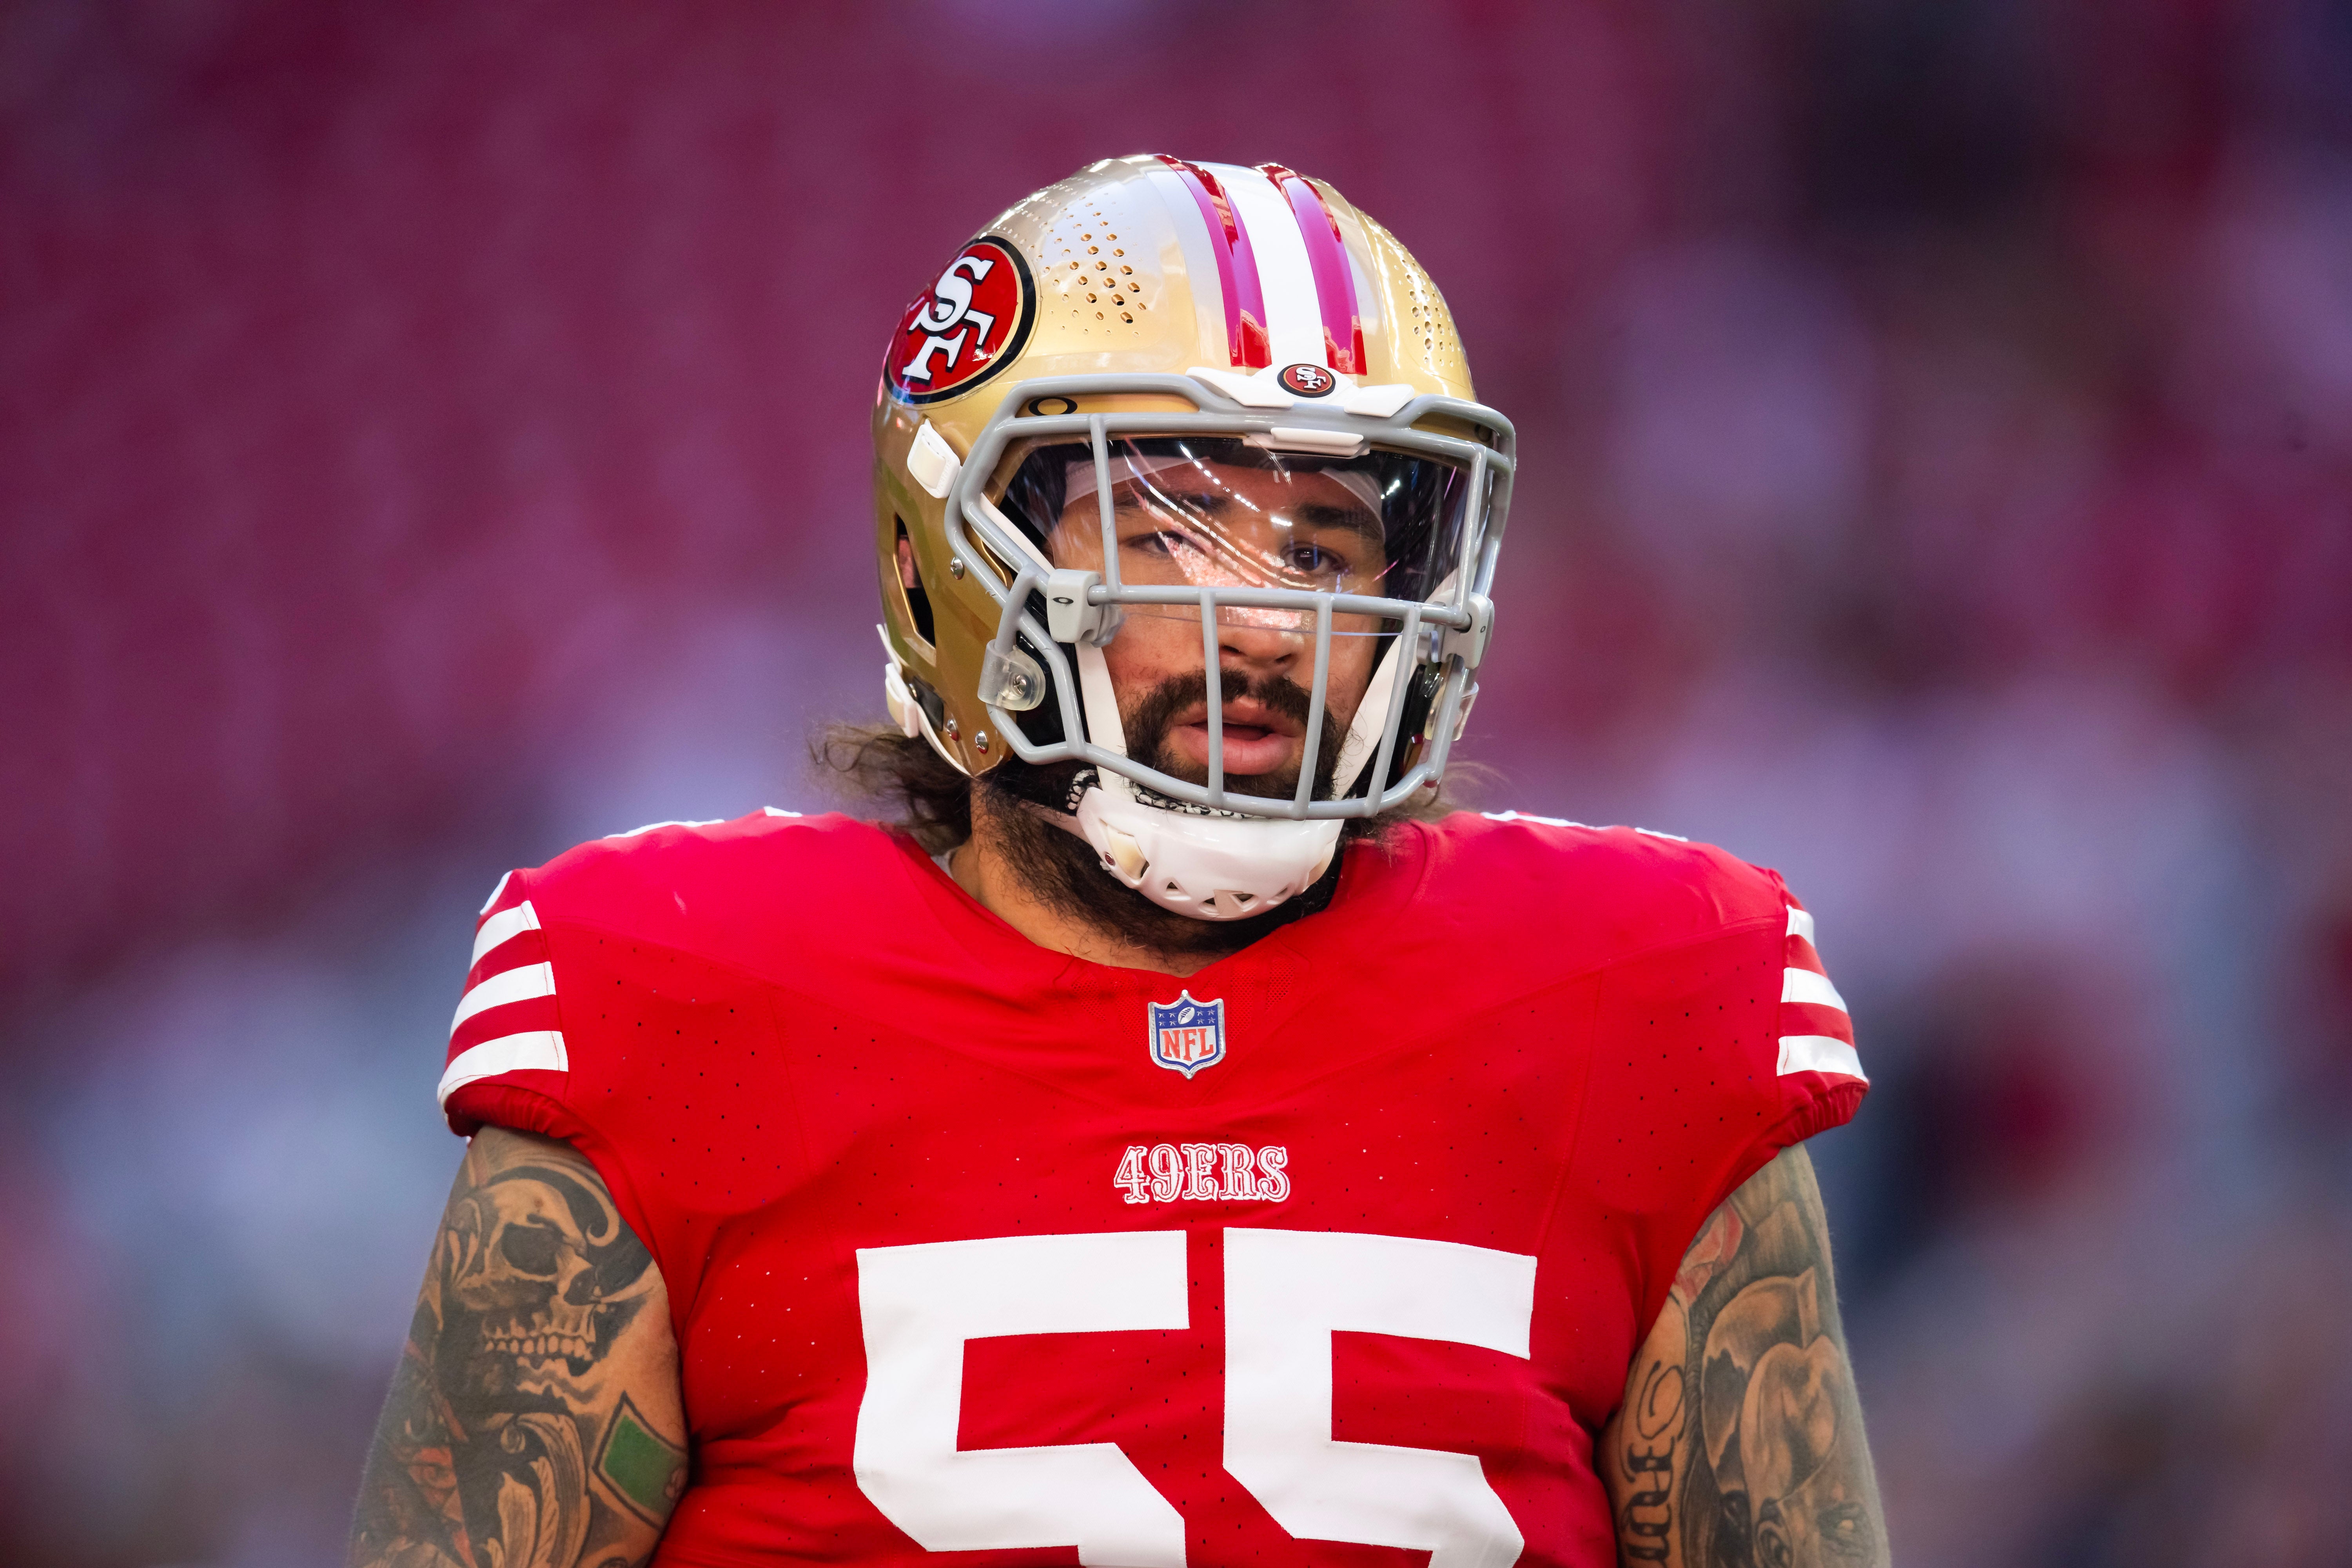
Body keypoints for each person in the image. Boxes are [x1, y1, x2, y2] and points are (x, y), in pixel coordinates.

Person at [350, 154, 1886, 1568]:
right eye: (1169, 535)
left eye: (1328, 549)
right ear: (946, 559)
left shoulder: (1644, 994)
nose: (1273, 626)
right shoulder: (678, 997)